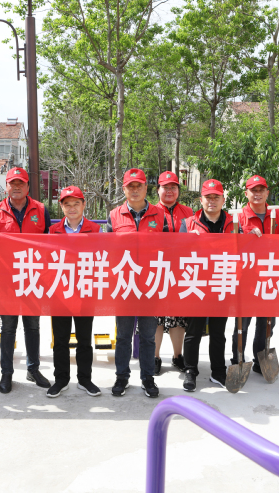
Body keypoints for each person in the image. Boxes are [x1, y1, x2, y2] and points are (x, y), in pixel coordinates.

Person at [0, 166, 52, 394]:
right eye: (12, 183)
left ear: (28, 186)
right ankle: (7, 373)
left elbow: (51, 243)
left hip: (33, 278)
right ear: (6, 187)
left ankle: (33, 369)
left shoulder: (41, 210)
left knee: (32, 326)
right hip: (6, 281)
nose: (16, 187)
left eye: (21, 183)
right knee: (8, 327)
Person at [107, 168, 169, 398]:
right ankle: (122, 377)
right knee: (123, 336)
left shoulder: (159, 215)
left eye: (139, 186)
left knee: (148, 336)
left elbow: (169, 247)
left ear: (146, 188)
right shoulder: (114, 215)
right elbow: (106, 250)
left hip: (150, 284)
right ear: (124, 189)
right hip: (124, 285)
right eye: (130, 186)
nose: (134, 190)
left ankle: (147, 378)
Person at [46, 185, 102, 398]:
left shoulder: (95, 230)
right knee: (60, 339)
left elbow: (102, 258)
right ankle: (61, 379)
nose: (72, 208)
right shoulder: (53, 230)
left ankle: (85, 379)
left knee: (84, 339)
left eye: (76, 204)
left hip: (85, 291)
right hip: (60, 292)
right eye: (67, 204)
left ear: (83, 205)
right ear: (61, 207)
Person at [232, 175, 279, 374]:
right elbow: (231, 247)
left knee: (266, 323)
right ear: (246, 193)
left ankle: (259, 359)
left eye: (261, 190)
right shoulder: (239, 216)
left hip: (270, 277)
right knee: (242, 323)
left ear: (267, 193)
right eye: (253, 190)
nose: (257, 194)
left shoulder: (277, 215)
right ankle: (237, 359)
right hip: (246, 279)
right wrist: (245, 239)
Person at [181, 179, 234, 392]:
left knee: (219, 332)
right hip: (197, 283)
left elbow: (244, 249)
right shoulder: (188, 223)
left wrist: (254, 236)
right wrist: (186, 241)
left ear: (223, 199)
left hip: (222, 281)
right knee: (193, 330)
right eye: (208, 197)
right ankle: (190, 370)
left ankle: (218, 371)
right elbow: (176, 253)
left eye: (216, 197)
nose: (212, 201)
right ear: (201, 200)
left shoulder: (234, 224)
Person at [154, 170, 193, 374]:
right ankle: (155, 357)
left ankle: (178, 356)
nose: (169, 191)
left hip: (180, 270)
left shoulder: (189, 212)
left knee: (178, 315)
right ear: (158, 189)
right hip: (155, 269)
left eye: (173, 187)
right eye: (165, 187)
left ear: (178, 190)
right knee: (156, 316)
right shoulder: (151, 211)